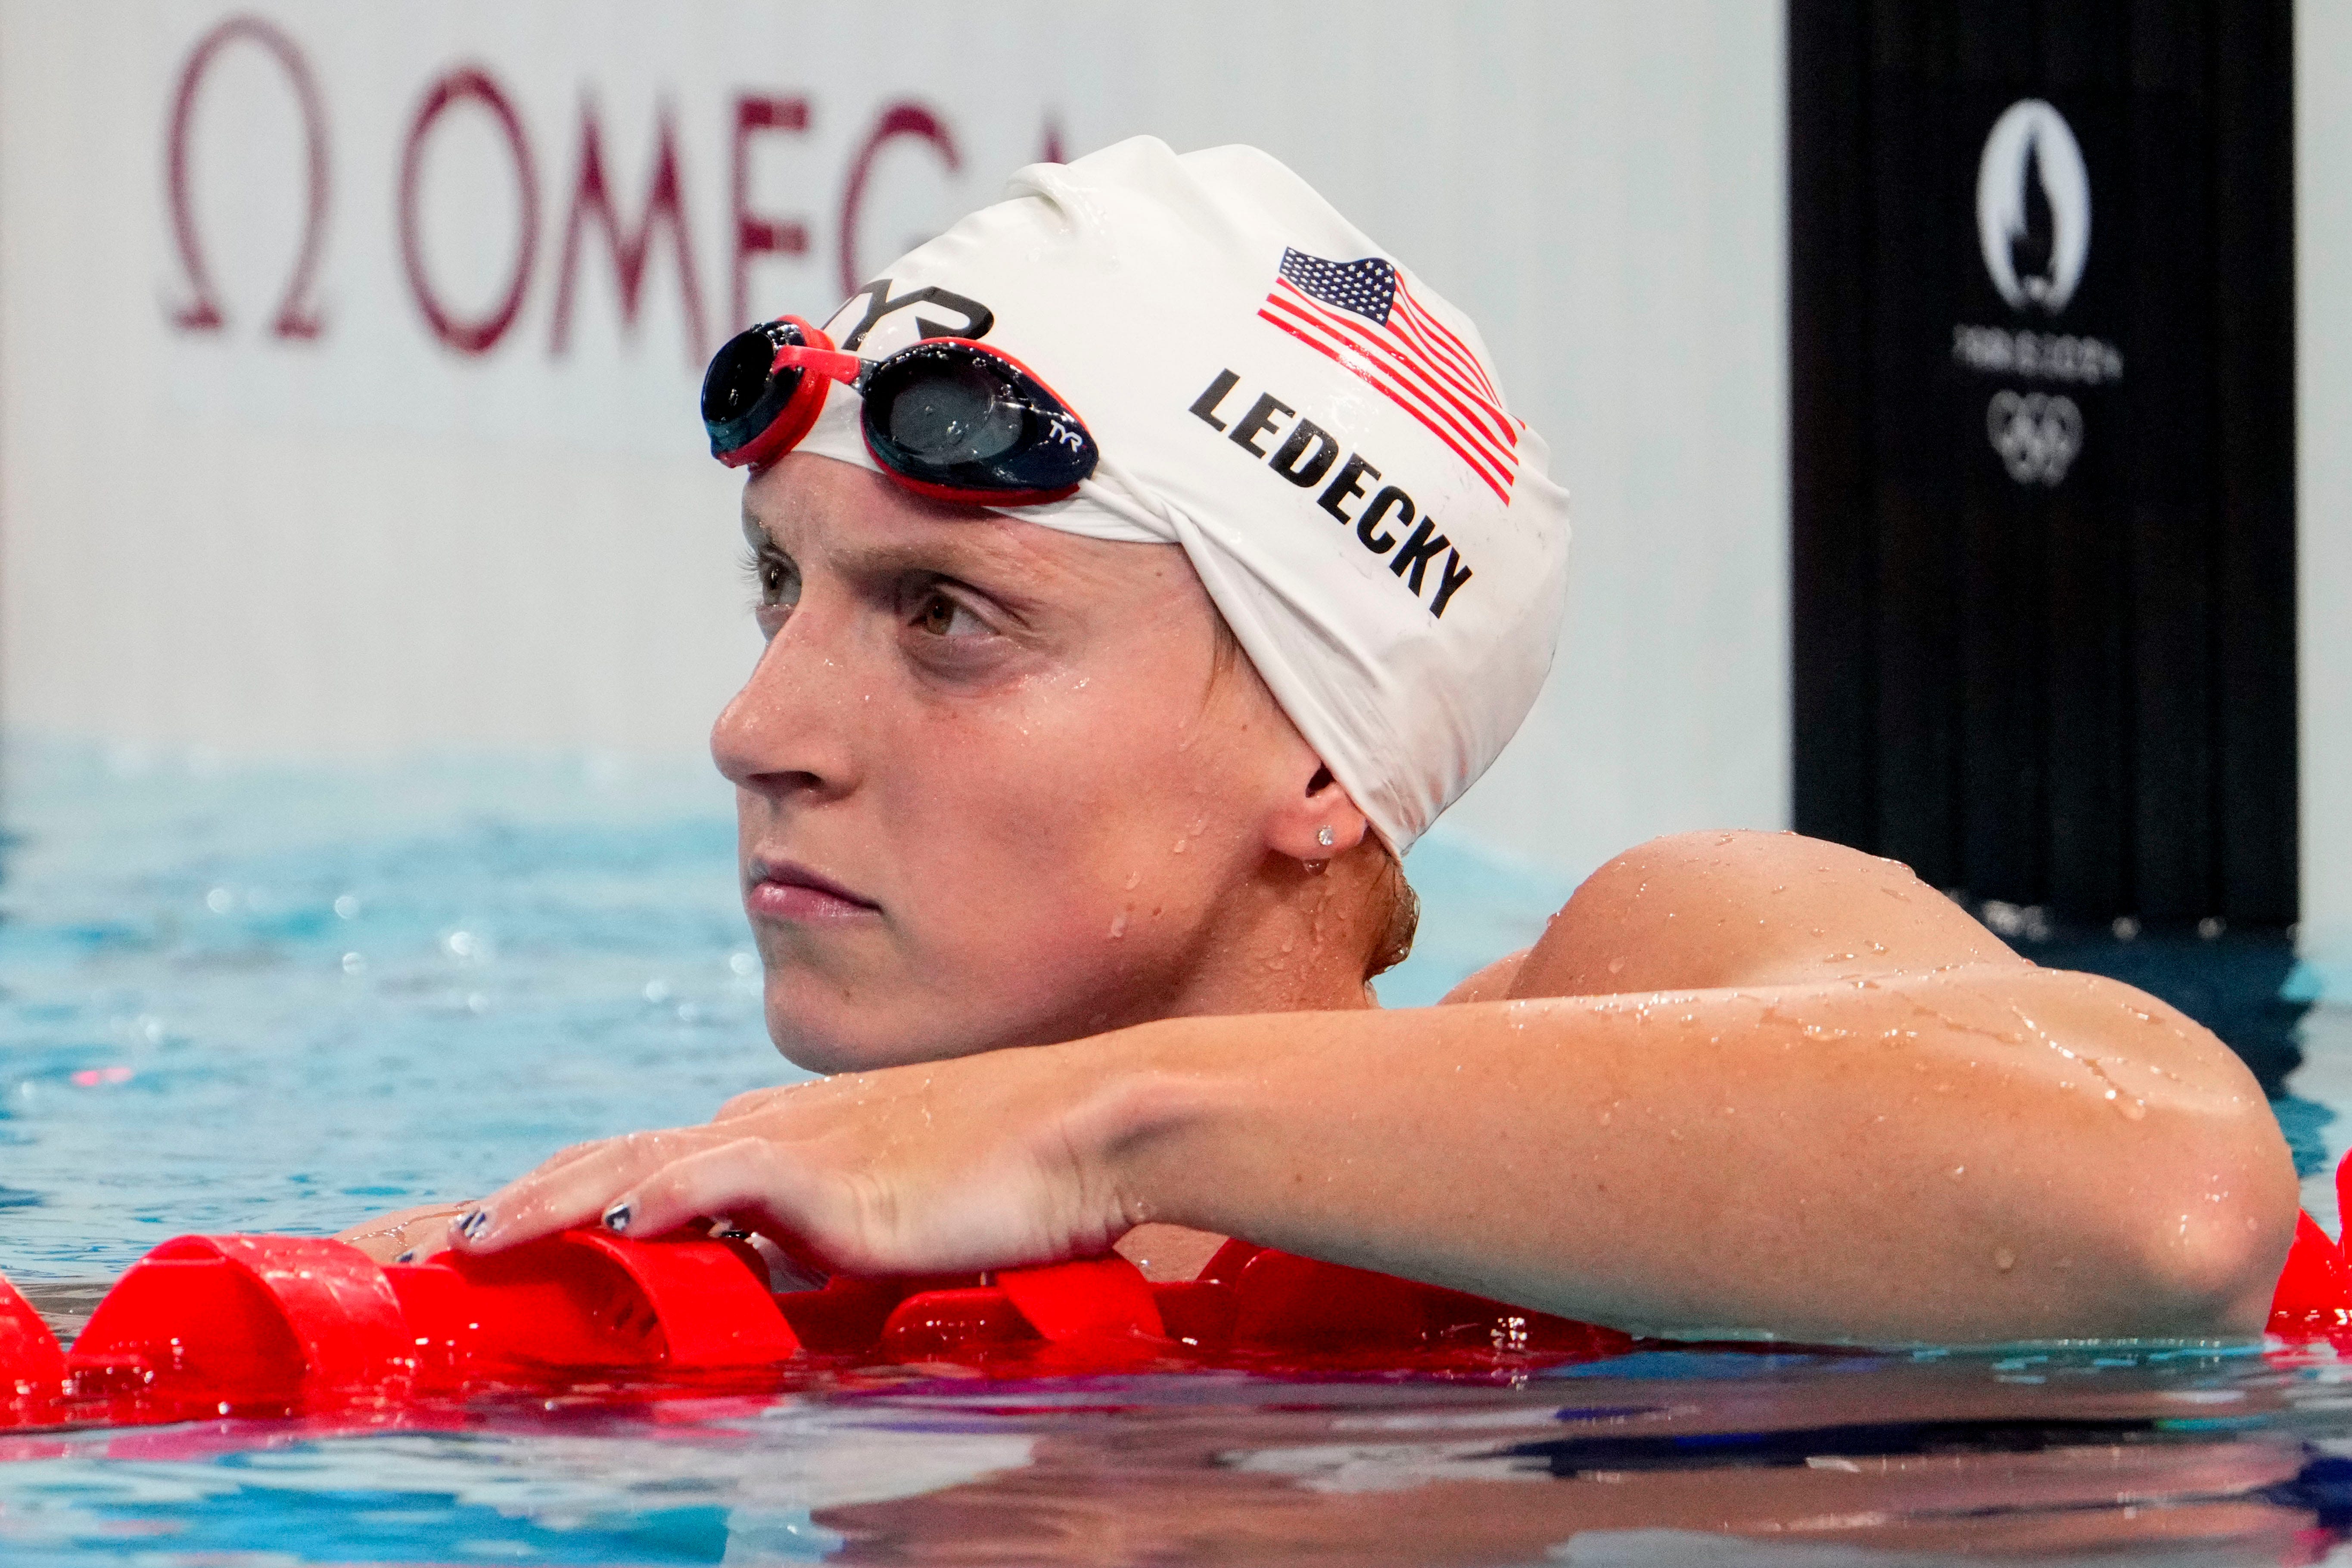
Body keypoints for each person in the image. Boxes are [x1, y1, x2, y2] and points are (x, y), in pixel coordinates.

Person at [345, 137, 2295, 1343]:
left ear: (1323, 764)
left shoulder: (1649, 971)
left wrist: (1091, 1125)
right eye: (783, 587)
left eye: (948, 616)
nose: (754, 726)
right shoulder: (777, 1224)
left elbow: (2175, 1192)